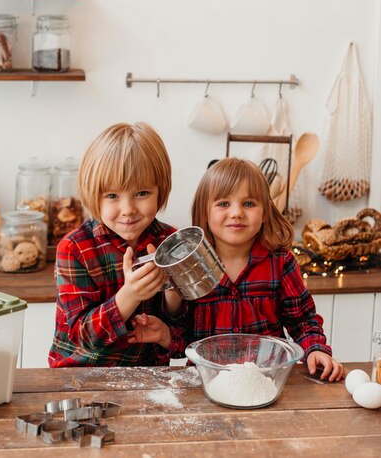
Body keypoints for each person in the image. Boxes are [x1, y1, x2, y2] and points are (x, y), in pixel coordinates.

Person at [129, 157, 344, 382]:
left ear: (265, 212)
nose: (236, 213)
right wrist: (165, 332)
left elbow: (302, 320)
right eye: (223, 204)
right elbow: (185, 342)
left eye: (249, 204)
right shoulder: (192, 265)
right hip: (208, 383)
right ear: (205, 212)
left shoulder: (280, 262)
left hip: (266, 379)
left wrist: (316, 349)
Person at [49, 122, 183, 367]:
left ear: (160, 190)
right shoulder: (74, 248)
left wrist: (173, 291)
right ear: (93, 195)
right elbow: (83, 336)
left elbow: (181, 335)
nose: (128, 209)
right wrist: (130, 295)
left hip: (144, 378)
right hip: (78, 377)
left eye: (141, 193)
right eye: (112, 195)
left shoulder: (170, 242)